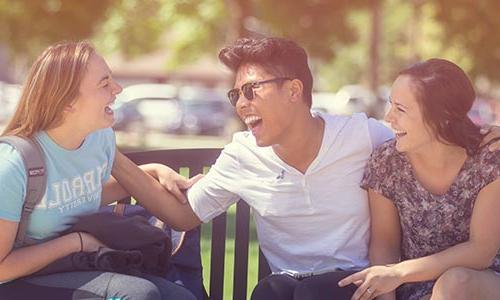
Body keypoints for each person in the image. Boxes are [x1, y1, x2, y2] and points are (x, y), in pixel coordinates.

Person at [111, 38, 500, 300]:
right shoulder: (242, 155)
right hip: (290, 288)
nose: (241, 103)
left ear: (294, 90)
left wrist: (481, 134)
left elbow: (431, 131)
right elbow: (181, 215)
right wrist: (116, 158)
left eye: (251, 90)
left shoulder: (364, 137)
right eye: (235, 94)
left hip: (354, 284)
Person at [0, 41, 196, 300]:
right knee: (137, 295)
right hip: (17, 281)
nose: (117, 89)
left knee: (181, 297)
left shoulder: (99, 139)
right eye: (104, 84)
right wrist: (76, 243)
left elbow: (81, 195)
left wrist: (154, 170)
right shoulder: (13, 165)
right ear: (67, 102)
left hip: (75, 266)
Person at [338, 58, 499, 300]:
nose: (389, 117)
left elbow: (481, 252)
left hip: (482, 281)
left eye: (401, 109)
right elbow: (385, 245)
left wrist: (400, 272)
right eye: (391, 105)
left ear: (444, 115)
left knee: (455, 282)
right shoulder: (386, 162)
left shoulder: (489, 157)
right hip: (415, 284)